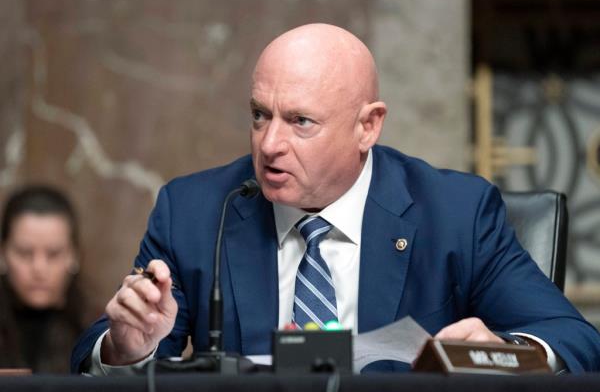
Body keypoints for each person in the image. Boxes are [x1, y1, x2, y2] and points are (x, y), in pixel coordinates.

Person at [72, 23, 600, 374]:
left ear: (367, 126)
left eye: (301, 121)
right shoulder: (195, 210)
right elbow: (100, 355)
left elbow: (574, 341)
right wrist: (126, 347)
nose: (270, 144)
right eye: (260, 115)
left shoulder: (455, 214)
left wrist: (503, 355)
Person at [0, 185, 85, 373]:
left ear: (73, 256)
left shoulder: (100, 332)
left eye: (53, 254)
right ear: (3, 254)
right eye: (24, 253)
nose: (39, 269)